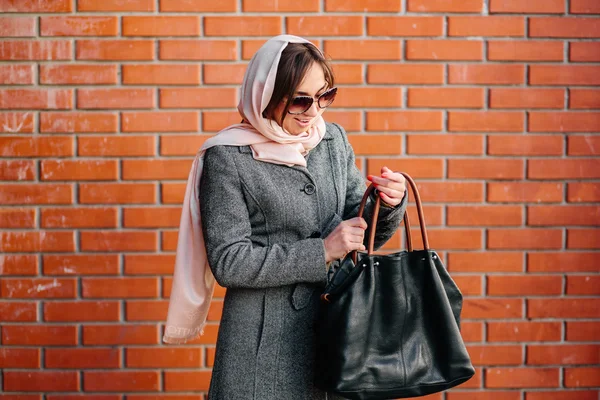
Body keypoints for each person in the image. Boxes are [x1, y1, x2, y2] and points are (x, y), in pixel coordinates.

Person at [163, 35, 407, 399]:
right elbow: (229, 261)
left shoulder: (332, 141)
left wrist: (388, 202)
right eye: (300, 100)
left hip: (337, 331)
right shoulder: (227, 157)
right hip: (262, 342)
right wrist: (321, 251)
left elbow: (359, 230)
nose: (314, 112)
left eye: (325, 96)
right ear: (266, 95)